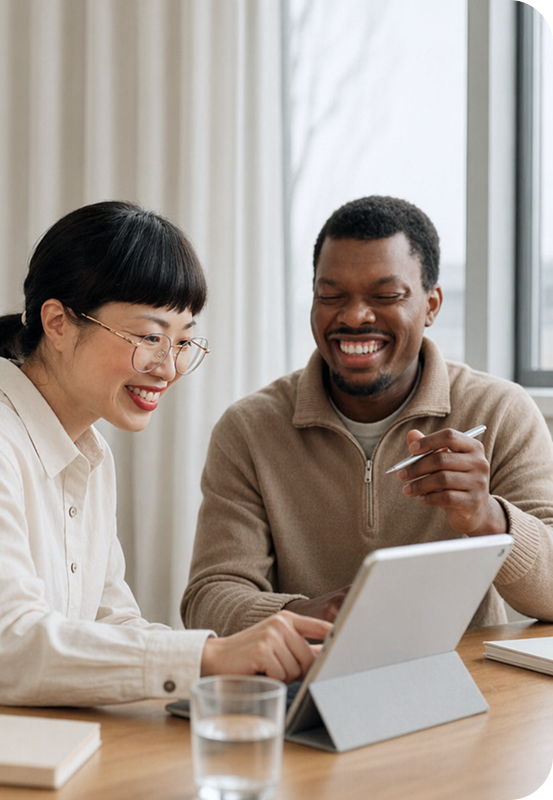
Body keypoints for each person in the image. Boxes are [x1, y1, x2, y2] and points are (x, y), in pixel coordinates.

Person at [0, 201, 330, 728]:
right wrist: (208, 655)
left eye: (182, 341)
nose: (169, 367)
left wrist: (229, 667)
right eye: (150, 336)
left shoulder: (90, 452)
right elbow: (6, 648)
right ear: (59, 323)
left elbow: (111, 620)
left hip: (5, 736)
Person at [181, 195, 553, 636]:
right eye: (331, 295)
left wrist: (488, 516)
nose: (354, 316)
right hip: (308, 680)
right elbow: (210, 598)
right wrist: (311, 614)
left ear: (431, 305)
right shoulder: (248, 430)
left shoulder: (500, 412)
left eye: (386, 295)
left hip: (468, 684)